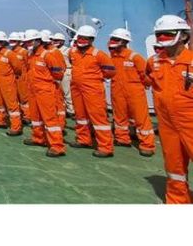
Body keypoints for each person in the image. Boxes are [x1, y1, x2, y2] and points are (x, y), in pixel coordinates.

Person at [145, 15, 192, 203]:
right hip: (167, 124)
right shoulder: (154, 61)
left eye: (168, 33)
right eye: (159, 34)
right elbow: (148, 80)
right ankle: (177, 201)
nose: (162, 37)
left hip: (189, 120)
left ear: (183, 36)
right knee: (174, 166)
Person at [68, 25, 116, 158]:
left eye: (85, 38)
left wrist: (95, 79)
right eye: (80, 38)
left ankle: (105, 147)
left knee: (98, 117)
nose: (81, 40)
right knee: (80, 115)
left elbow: (111, 71)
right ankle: (84, 139)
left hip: (93, 89)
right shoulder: (72, 52)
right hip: (76, 88)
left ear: (91, 40)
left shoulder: (99, 54)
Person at [107, 28, 156, 157]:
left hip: (135, 91)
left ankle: (147, 145)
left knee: (141, 118)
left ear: (124, 41)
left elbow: (145, 75)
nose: (112, 42)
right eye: (112, 39)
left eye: (116, 39)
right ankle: (122, 139)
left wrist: (146, 84)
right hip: (117, 90)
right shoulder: (111, 57)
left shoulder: (135, 57)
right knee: (119, 116)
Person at [22, 29, 66, 157]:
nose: (28, 44)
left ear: (38, 41)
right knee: (35, 117)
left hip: (45, 91)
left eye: (30, 41)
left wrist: (48, 84)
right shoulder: (30, 55)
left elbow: (58, 73)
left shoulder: (47, 55)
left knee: (50, 118)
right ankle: (38, 138)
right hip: (33, 90)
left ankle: (57, 146)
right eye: (26, 42)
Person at [0, 31, 23, 136]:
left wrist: (9, 77)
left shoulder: (9, 54)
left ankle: (16, 127)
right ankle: (0, 121)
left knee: (12, 105)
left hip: (8, 82)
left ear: (4, 42)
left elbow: (18, 68)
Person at [9, 32, 31, 123]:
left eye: (14, 40)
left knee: (24, 98)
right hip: (13, 78)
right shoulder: (11, 52)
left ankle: (27, 116)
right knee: (16, 97)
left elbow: (28, 64)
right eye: (11, 40)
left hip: (22, 78)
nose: (12, 42)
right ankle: (21, 114)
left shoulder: (23, 52)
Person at [51, 32, 74, 119]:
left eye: (57, 40)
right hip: (56, 72)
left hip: (66, 72)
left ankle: (71, 110)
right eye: (54, 40)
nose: (55, 42)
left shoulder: (67, 50)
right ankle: (64, 109)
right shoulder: (53, 50)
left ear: (62, 41)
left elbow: (73, 61)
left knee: (67, 92)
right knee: (59, 92)